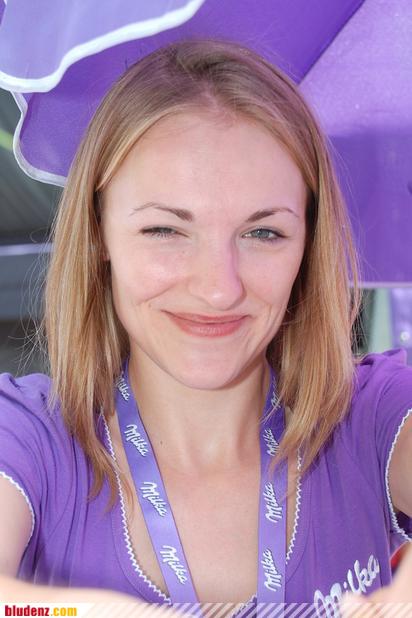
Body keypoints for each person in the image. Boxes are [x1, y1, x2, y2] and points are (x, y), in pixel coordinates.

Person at [0, 38, 411, 617]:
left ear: (308, 246)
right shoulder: (28, 436)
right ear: (98, 234)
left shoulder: (370, 414)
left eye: (263, 233)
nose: (220, 288)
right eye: (166, 230)